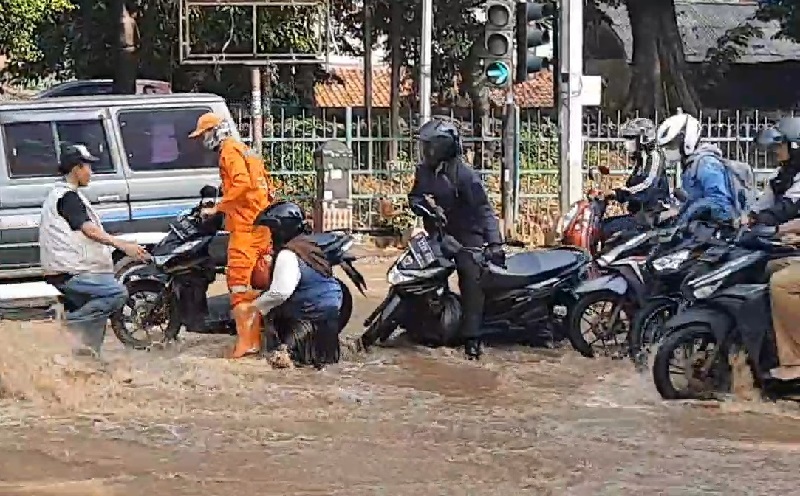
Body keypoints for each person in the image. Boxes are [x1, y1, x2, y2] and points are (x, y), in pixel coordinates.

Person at [407, 117, 504, 360]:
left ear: (443, 147)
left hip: (466, 239)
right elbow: (415, 198)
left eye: (429, 146)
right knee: (416, 274)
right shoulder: (424, 172)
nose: (425, 151)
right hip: (438, 236)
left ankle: (472, 339)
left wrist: (494, 243)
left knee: (471, 281)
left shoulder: (466, 176)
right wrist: (425, 209)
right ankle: (422, 324)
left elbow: (485, 211)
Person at [39, 144, 149, 357]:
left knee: (96, 313)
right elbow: (89, 230)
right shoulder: (67, 197)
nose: (91, 172)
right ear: (75, 169)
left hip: (73, 269)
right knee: (116, 293)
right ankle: (66, 324)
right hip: (72, 272)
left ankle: (87, 359)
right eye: (88, 166)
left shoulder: (64, 195)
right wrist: (122, 245)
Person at [188, 112, 274, 359]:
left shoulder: (228, 152)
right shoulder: (244, 149)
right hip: (261, 224)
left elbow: (242, 184)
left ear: (214, 131)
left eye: (204, 134)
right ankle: (258, 338)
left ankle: (248, 344)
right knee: (258, 282)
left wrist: (217, 207)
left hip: (245, 228)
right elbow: (263, 186)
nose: (202, 140)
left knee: (238, 286)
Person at [252, 201, 342, 368]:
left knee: (284, 368)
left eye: (272, 230)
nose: (270, 235)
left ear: (281, 230)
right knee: (326, 369)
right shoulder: (308, 245)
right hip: (330, 317)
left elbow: (280, 293)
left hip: (306, 321)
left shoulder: (288, 254)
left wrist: (254, 308)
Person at [747, 118, 800, 380]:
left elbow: (789, 212)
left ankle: (795, 360)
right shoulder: (783, 175)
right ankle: (770, 348)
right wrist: (747, 218)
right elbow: (761, 205)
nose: (775, 152)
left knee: (781, 284)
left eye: (780, 146)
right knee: (765, 268)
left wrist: (781, 229)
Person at [655, 111, 738, 224]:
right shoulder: (690, 164)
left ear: (687, 141)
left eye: (671, 145)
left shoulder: (706, 163)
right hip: (698, 229)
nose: (666, 151)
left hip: (713, 232)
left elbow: (720, 202)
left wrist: (688, 212)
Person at [602, 118, 670, 237]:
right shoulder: (642, 158)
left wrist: (618, 194)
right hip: (641, 214)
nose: (626, 142)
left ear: (643, 138)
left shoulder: (654, 156)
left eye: (631, 138)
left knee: (607, 229)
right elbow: (632, 185)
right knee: (604, 227)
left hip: (652, 216)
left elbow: (648, 185)